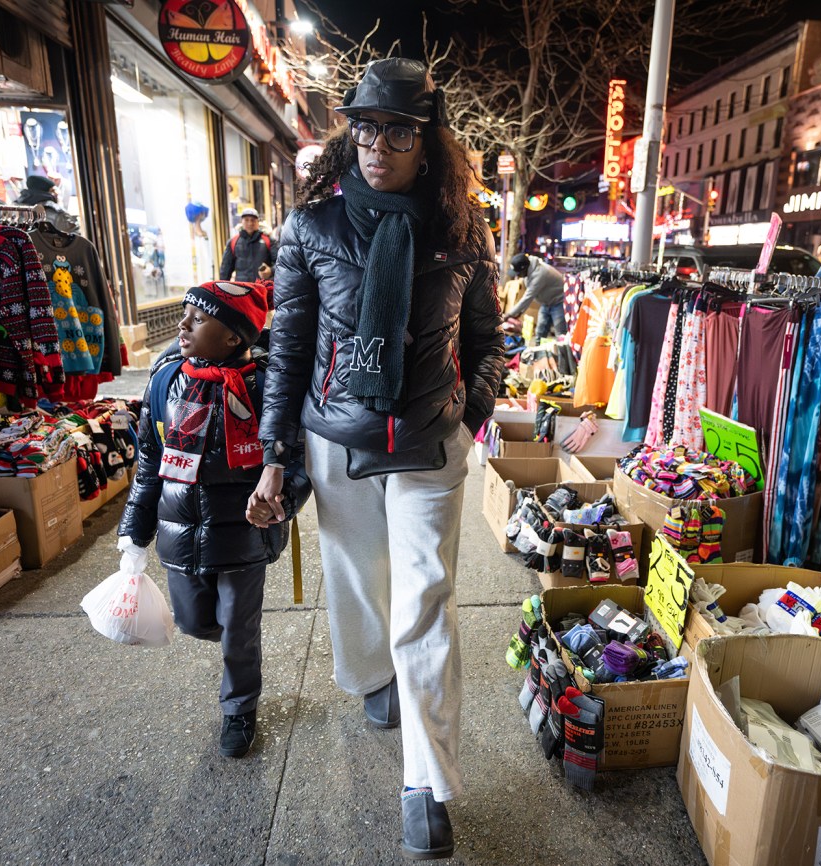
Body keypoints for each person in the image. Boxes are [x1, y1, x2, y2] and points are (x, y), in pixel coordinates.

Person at [245, 58, 504, 861]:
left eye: (397, 130)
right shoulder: (312, 228)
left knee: (425, 601)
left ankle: (426, 784)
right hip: (337, 440)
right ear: (347, 132)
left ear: (428, 142)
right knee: (360, 587)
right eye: (364, 127)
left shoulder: (463, 229)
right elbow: (286, 347)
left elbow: (489, 339)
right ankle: (370, 679)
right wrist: (274, 455)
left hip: (429, 442)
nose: (377, 144)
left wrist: (474, 410)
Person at [117, 280, 308, 760]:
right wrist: (133, 537)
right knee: (195, 621)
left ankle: (239, 708)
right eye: (185, 315)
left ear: (233, 337)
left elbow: (300, 463)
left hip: (244, 536)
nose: (182, 326)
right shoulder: (164, 381)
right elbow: (148, 465)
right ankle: (232, 639)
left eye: (198, 319)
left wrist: (280, 499)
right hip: (178, 532)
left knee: (238, 627)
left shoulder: (268, 387)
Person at [503, 252, 567, 339]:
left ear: (524, 269)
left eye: (518, 273)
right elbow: (528, 298)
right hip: (546, 303)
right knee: (540, 332)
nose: (517, 276)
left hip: (559, 302)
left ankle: (563, 351)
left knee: (561, 333)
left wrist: (509, 315)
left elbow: (528, 297)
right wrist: (519, 313)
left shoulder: (539, 274)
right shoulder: (529, 272)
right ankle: (538, 351)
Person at [220, 207, 274, 282]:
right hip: (241, 290)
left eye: (253, 220)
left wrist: (271, 271)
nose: (250, 223)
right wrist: (222, 290)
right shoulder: (233, 242)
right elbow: (225, 269)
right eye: (246, 220)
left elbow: (280, 263)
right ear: (241, 221)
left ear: (258, 222)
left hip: (263, 289)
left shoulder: (268, 241)